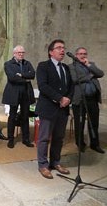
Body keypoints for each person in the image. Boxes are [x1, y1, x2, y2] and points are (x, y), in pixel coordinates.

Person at [35, 39, 73, 179]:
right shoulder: (43, 66)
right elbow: (43, 86)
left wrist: (68, 98)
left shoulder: (66, 68)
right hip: (48, 108)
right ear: (51, 52)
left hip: (63, 109)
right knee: (44, 138)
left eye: (63, 47)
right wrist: (59, 98)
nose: (62, 50)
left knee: (59, 137)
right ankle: (43, 165)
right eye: (58, 48)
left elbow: (71, 86)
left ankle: (55, 162)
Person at [68, 47, 105, 154]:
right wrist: (90, 75)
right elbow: (75, 79)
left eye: (84, 53)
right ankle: (80, 144)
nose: (83, 56)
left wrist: (89, 66)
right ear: (76, 55)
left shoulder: (91, 64)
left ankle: (95, 144)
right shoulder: (72, 66)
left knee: (94, 122)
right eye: (80, 54)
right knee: (79, 124)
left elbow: (101, 73)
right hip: (79, 99)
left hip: (92, 99)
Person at [2, 45, 35, 149]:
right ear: (14, 53)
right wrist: (26, 78)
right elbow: (12, 78)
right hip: (13, 93)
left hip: (26, 93)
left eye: (22, 52)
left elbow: (33, 74)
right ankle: (10, 139)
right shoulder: (8, 64)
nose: (21, 54)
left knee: (25, 117)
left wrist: (21, 75)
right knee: (12, 116)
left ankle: (26, 139)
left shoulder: (27, 63)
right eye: (19, 52)